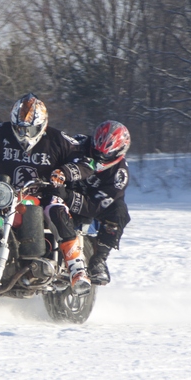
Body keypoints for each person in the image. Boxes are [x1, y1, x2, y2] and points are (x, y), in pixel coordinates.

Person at [0, 93, 92, 294]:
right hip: (6, 193)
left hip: (44, 195)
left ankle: (77, 269)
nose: (25, 134)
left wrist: (64, 172)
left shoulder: (58, 139)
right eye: (20, 129)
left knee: (56, 209)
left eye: (31, 129)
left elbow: (86, 161)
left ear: (42, 125)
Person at [45, 120, 132, 287]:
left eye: (105, 155)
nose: (98, 157)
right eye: (95, 151)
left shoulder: (119, 174)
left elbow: (93, 207)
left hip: (93, 202)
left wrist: (67, 196)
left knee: (119, 210)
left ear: (119, 152)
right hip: (64, 189)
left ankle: (99, 260)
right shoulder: (77, 143)